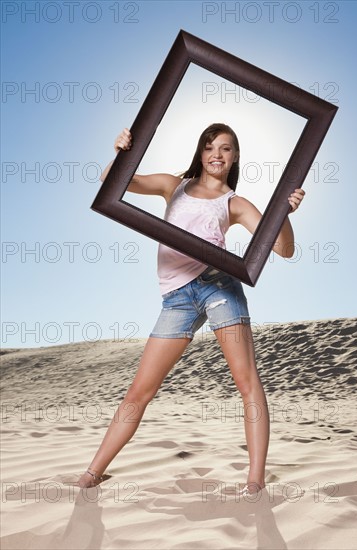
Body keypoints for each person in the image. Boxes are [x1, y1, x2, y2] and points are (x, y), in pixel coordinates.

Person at [77, 123, 305, 493]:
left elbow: (283, 249)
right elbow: (111, 184)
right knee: (140, 391)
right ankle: (91, 473)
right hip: (177, 298)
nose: (218, 154)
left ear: (234, 157)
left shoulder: (235, 203)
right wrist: (119, 152)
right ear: (200, 152)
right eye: (210, 147)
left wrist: (286, 214)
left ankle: (255, 481)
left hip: (218, 286)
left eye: (226, 148)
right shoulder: (174, 185)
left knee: (247, 383)